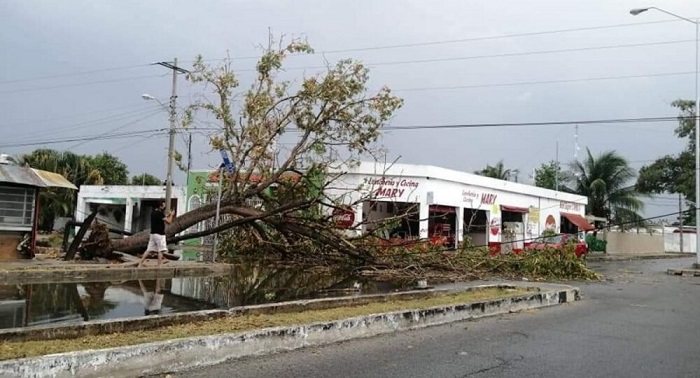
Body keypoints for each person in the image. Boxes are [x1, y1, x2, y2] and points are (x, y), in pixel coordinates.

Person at [138, 201, 175, 267]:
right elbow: (169, 222)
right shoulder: (160, 213)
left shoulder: (153, 213)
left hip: (153, 234)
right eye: (163, 205)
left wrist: (168, 215)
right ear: (160, 206)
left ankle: (140, 263)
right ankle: (159, 265)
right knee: (160, 250)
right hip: (160, 235)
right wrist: (172, 215)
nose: (164, 207)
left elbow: (163, 218)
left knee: (148, 250)